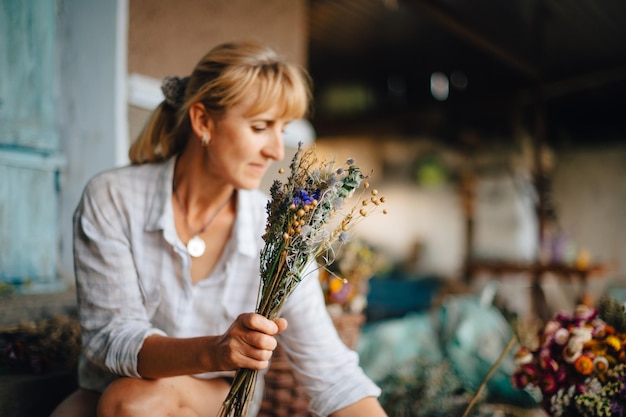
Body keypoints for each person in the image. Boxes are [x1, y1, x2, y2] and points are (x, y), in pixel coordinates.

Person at [50, 41, 387, 417]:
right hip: (107, 386)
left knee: (133, 403)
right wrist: (216, 349)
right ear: (203, 122)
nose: (277, 150)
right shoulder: (113, 198)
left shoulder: (278, 228)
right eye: (261, 127)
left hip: (219, 399)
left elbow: (332, 371)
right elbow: (111, 338)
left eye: (283, 129)